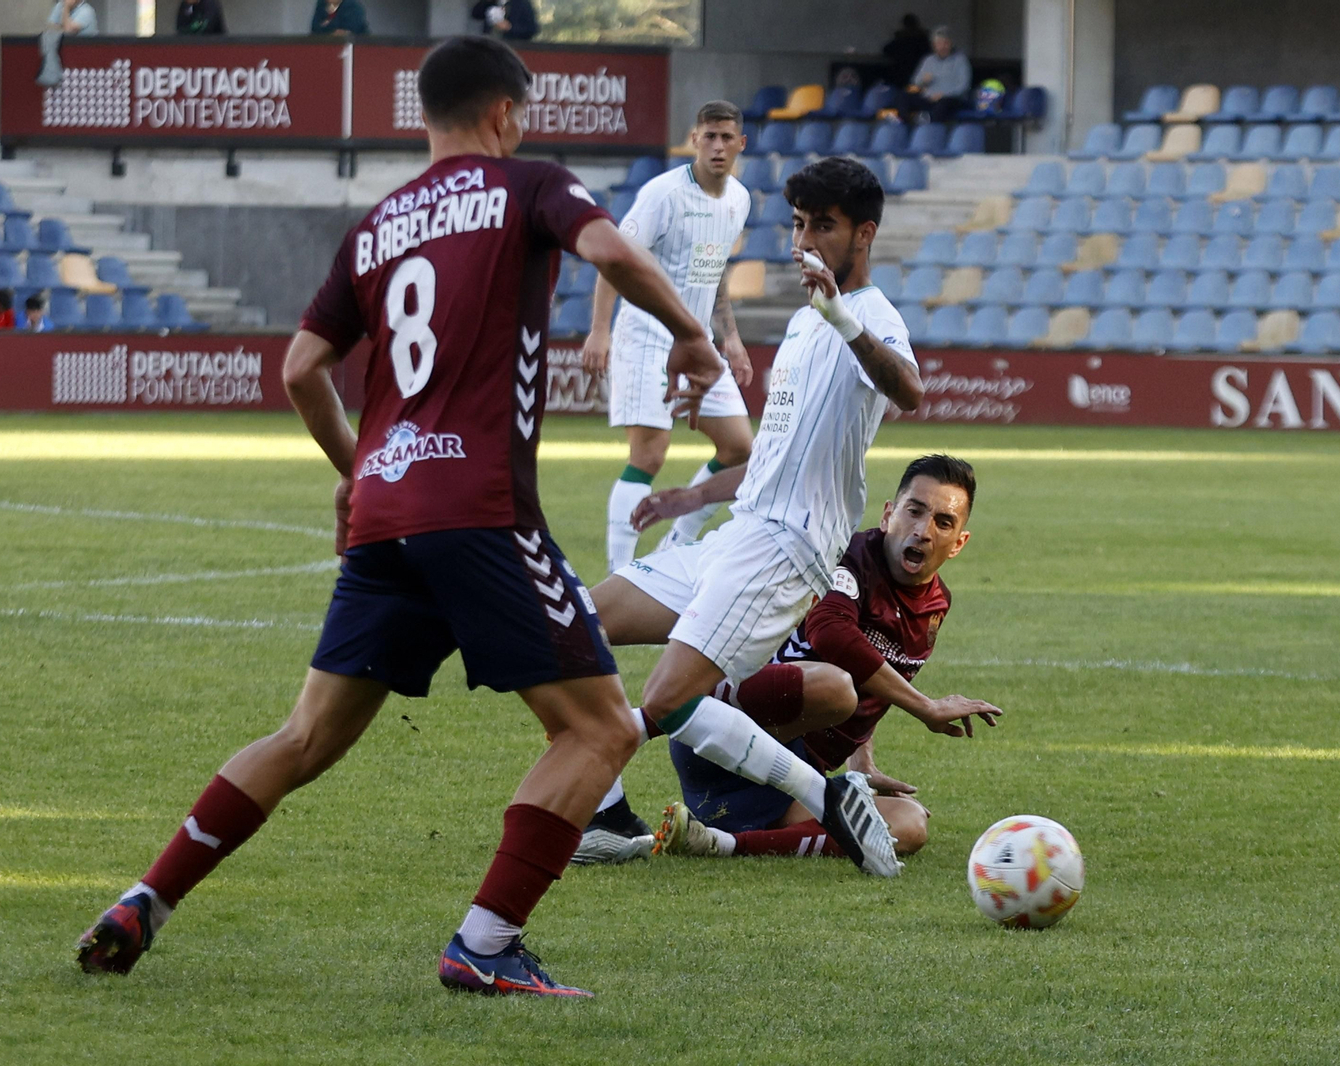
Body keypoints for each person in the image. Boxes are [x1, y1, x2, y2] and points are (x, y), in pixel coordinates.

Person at [74, 35, 726, 1000]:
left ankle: (147, 898)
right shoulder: (528, 185)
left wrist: (361, 468)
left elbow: (300, 370)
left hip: (388, 514)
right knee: (599, 733)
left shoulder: (376, 227)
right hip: (480, 510)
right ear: (505, 113)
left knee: (304, 739)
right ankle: (485, 944)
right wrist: (692, 338)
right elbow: (608, 249)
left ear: (427, 116)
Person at [575, 157, 927, 878]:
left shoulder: (871, 316)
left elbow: (910, 389)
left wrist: (839, 314)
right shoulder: (804, 323)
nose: (804, 240)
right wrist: (688, 499)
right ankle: (607, 816)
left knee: (667, 699)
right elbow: (774, 450)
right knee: (575, 624)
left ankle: (822, 798)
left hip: (787, 549)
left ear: (863, 234)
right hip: (741, 531)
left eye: (821, 226)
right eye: (798, 224)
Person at [647, 456, 1003, 862]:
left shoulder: (936, 605)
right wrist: (926, 707)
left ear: (958, 542)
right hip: (717, 738)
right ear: (889, 515)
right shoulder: (846, 555)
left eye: (943, 522)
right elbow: (830, 631)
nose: (922, 531)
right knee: (835, 688)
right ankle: (646, 720)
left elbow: (876, 680)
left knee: (909, 824)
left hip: (788, 777)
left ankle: (719, 843)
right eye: (914, 511)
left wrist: (862, 761)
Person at [582, 100, 755, 577]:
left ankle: (676, 543)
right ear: (694, 139)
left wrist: (732, 338)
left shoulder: (739, 199)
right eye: (709, 136)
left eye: (727, 137)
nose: (718, 146)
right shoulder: (663, 195)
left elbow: (714, 270)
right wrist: (600, 331)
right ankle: (620, 576)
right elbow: (614, 258)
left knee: (742, 449)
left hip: (698, 343)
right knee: (650, 455)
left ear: (742, 144)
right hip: (645, 337)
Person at [901, 26, 972, 122]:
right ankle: (907, 123)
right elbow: (915, 82)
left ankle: (929, 124)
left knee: (943, 104)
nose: (942, 47)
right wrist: (923, 81)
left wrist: (943, 95)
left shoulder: (960, 60)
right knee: (904, 97)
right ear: (933, 46)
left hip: (950, 99)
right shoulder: (928, 60)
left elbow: (964, 86)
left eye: (946, 43)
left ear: (951, 44)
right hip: (929, 98)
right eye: (939, 44)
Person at [882, 13, 931, 86]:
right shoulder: (922, 40)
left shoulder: (903, 39)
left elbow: (886, 49)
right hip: (913, 77)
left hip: (904, 78)